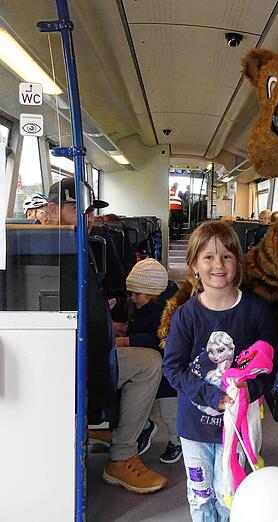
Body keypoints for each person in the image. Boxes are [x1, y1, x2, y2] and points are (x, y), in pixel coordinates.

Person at [47, 178, 167, 493]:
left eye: (89, 212)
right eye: (77, 210)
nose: (87, 219)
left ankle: (105, 430)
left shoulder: (79, 246)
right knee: (150, 362)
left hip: (78, 348)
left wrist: (109, 328)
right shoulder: (56, 250)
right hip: (65, 359)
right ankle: (122, 455)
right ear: (51, 209)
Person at [162, 221, 277, 521]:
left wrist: (250, 391)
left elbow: (268, 366)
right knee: (201, 497)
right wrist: (213, 397)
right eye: (208, 257)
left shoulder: (257, 311)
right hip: (195, 428)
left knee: (231, 496)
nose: (218, 264)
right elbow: (173, 367)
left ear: (238, 263)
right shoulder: (185, 316)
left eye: (227, 256)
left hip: (239, 428)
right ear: (194, 265)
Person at [110, 258, 182, 464]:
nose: (131, 298)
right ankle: (146, 427)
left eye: (136, 294)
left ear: (153, 295)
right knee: (141, 404)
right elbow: (130, 318)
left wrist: (126, 340)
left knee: (170, 412)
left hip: (169, 375)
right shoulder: (141, 303)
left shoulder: (167, 312)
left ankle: (176, 441)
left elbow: (158, 339)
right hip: (148, 370)